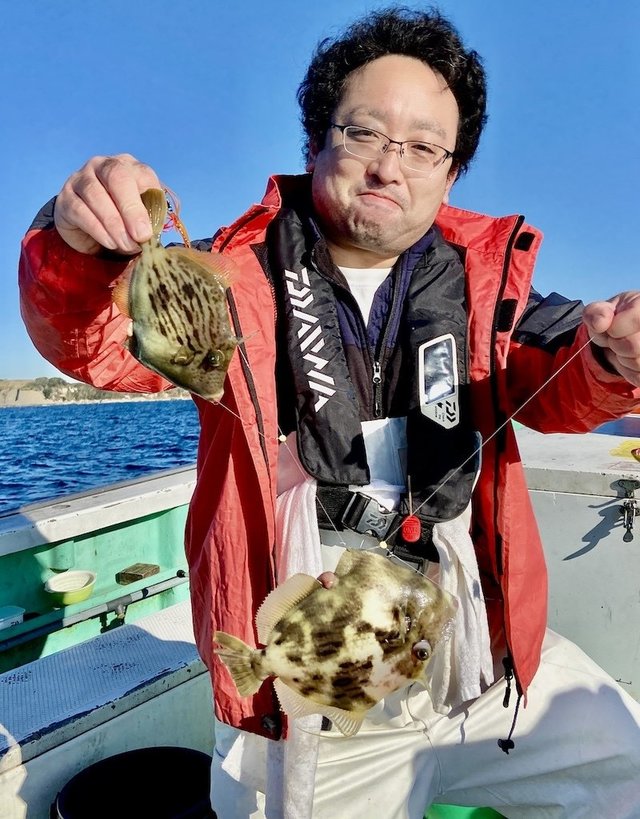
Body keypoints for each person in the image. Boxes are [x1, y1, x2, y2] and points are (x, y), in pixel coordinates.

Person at [18, 7, 640, 818]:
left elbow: (564, 375)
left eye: (422, 147)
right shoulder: (231, 276)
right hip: (316, 687)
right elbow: (96, 343)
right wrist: (78, 245)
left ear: (451, 173)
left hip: (476, 652)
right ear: (316, 142)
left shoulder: (489, 285)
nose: (389, 166)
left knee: (623, 760)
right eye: (364, 132)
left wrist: (620, 356)